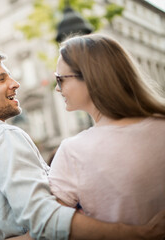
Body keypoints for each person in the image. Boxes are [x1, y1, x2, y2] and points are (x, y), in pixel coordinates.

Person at [0, 47, 165, 239]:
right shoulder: (4, 136)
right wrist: (138, 233)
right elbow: (45, 220)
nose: (15, 83)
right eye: (1, 79)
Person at [48, 34, 165, 225]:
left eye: (60, 79)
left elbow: (50, 226)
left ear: (89, 76)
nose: (57, 89)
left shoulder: (74, 151)